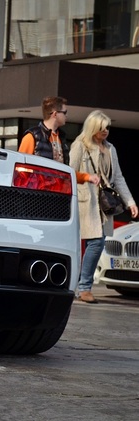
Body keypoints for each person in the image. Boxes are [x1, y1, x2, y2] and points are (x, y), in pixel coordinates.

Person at [69, 110, 138, 303]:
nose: (106, 130)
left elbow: (118, 178)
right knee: (95, 243)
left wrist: (130, 202)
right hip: (85, 202)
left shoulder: (110, 149)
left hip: (105, 204)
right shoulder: (80, 145)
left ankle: (81, 286)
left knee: (96, 243)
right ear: (93, 127)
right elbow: (71, 173)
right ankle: (83, 288)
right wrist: (87, 177)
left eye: (107, 127)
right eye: (102, 127)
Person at [19, 96, 99, 185]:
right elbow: (20, 169)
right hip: (38, 194)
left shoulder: (61, 137)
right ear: (55, 114)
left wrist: (87, 177)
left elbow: (65, 171)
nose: (67, 115)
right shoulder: (32, 136)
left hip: (59, 193)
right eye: (65, 112)